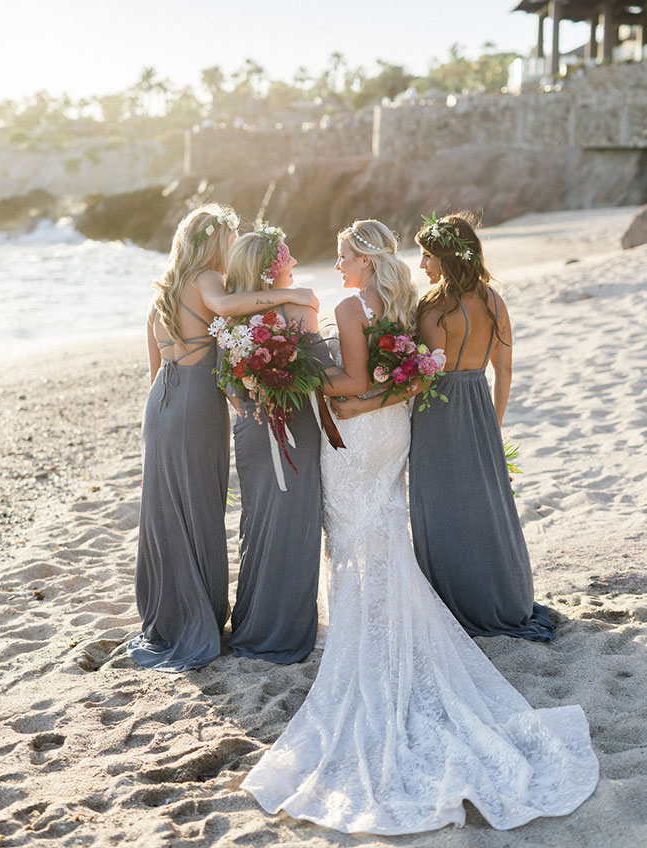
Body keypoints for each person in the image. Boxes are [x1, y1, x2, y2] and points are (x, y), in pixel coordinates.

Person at [242, 219, 598, 834]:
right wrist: (360, 395)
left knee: (353, 533)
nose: (338, 265)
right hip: (393, 433)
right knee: (381, 527)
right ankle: (386, 610)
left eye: (343, 255)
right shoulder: (408, 304)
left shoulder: (354, 305)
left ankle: (366, 619)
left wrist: (299, 375)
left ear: (362, 259)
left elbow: (355, 380)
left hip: (354, 437)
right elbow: (404, 381)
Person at [334, 212, 553, 641]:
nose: (422, 266)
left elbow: (426, 376)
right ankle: (504, 594)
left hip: (439, 414)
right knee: (487, 507)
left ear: (448, 258)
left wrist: (364, 404)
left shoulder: (435, 308)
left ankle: (455, 602)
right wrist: (493, 424)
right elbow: (504, 371)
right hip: (479, 411)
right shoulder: (494, 302)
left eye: (429, 256)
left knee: (439, 511)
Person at [127, 205, 319, 672]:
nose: (233, 248)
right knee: (199, 507)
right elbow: (228, 308)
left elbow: (155, 368)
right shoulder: (205, 277)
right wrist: (291, 293)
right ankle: (199, 617)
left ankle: (169, 615)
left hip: (161, 404)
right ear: (213, 243)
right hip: (194, 404)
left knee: (167, 509)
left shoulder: (162, 292)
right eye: (230, 239)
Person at [224, 227, 333, 664]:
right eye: (288, 258)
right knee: (293, 521)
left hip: (251, 424)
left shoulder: (231, 314)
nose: (294, 264)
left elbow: (229, 385)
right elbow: (321, 371)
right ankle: (285, 626)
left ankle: (253, 621)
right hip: (294, 423)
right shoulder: (302, 306)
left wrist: (252, 395)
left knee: (259, 521)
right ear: (273, 266)